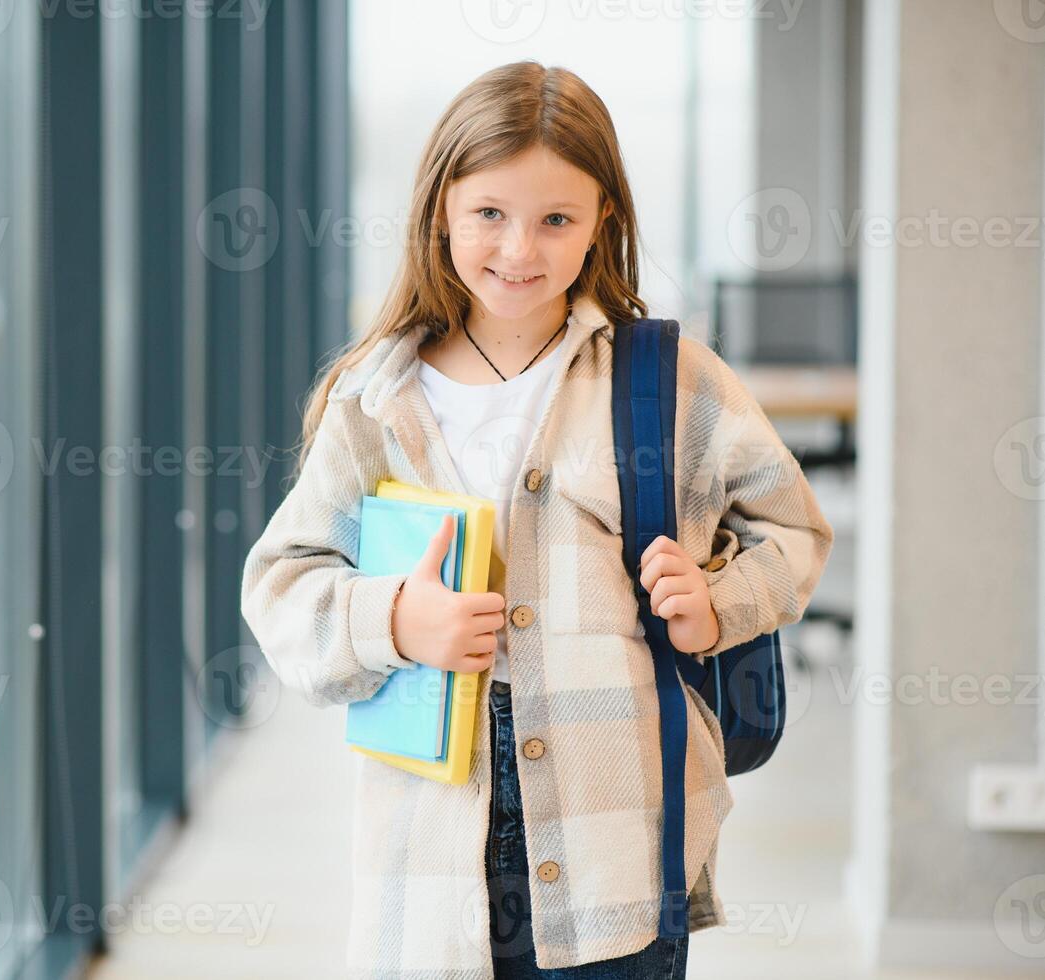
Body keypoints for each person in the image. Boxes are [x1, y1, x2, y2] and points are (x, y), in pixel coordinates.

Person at [240, 60, 834, 979]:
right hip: (428, 864)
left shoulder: (666, 383)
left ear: (603, 223)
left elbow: (792, 530)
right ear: (439, 210)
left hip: (619, 846)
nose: (519, 248)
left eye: (555, 218)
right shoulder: (376, 398)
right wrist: (395, 618)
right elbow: (281, 582)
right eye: (489, 214)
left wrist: (717, 602)